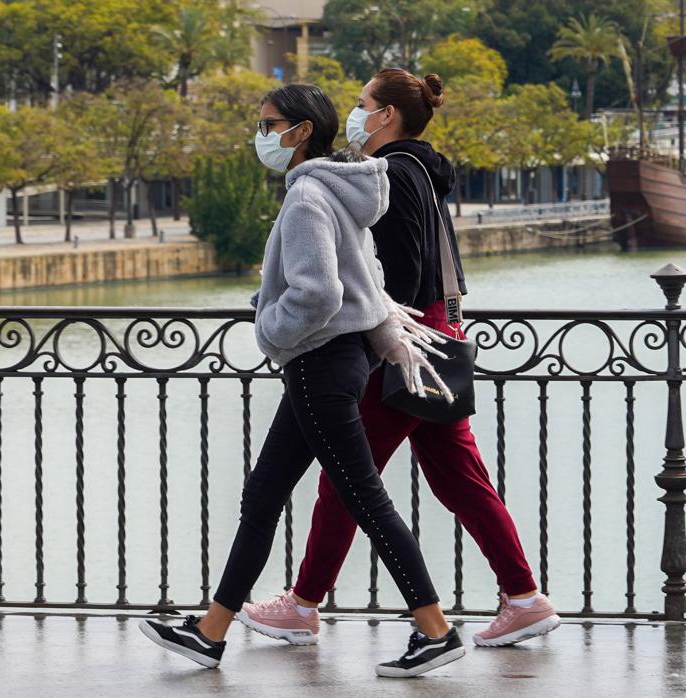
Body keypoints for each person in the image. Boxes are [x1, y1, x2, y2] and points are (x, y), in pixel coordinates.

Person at [139, 83, 466, 678]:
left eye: (268, 124)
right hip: (334, 363)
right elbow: (367, 275)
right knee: (263, 496)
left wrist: (269, 326)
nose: (261, 135)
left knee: (365, 499)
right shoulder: (342, 192)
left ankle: (436, 631)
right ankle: (210, 632)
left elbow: (319, 292)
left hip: (319, 363)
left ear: (299, 132)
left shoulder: (309, 197)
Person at [236, 69, 560, 649]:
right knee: (458, 477)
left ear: (386, 115)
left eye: (362, 104)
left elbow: (398, 272)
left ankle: (305, 604)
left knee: (347, 479)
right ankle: (524, 597)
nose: (355, 113)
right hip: (433, 336)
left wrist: (371, 333)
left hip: (401, 344)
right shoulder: (421, 172)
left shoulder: (396, 175)